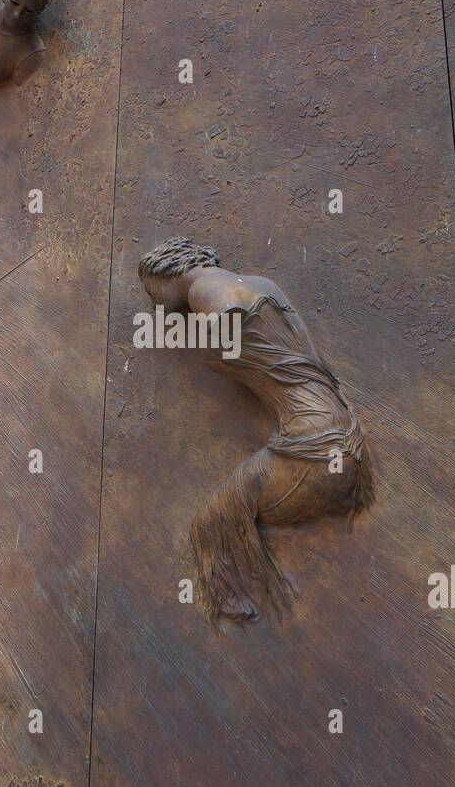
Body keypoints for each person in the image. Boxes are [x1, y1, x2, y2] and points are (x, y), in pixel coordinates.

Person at [138, 237, 375, 626]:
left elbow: (227, 303)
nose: (153, 301)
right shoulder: (264, 285)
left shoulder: (204, 287)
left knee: (209, 524)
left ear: (165, 273)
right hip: (341, 433)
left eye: (151, 290)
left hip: (310, 445)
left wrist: (215, 326)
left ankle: (247, 605)